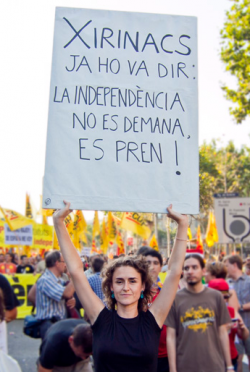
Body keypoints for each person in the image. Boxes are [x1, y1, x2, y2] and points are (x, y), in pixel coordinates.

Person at [53, 202, 188, 372]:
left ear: (142, 287)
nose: (126, 287)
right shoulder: (101, 319)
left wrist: (182, 225)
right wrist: (59, 221)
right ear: (110, 287)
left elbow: (174, 271)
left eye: (132, 281)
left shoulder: (153, 319)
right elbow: (76, 270)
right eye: (119, 281)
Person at [166, 254, 233, 372]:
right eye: (186, 268)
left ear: (203, 271)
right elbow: (171, 337)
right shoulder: (175, 299)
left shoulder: (216, 296)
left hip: (214, 365)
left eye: (194, 267)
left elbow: (223, 333)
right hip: (185, 366)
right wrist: (172, 369)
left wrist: (229, 366)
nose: (190, 271)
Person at [208, 278, 249, 371]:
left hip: (231, 357)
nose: (224, 300)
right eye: (220, 297)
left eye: (226, 297)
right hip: (213, 359)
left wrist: (242, 328)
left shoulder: (230, 311)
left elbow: (245, 336)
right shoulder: (204, 313)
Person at [36, 250, 76, 340]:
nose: (65, 265)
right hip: (50, 324)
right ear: (57, 263)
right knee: (52, 352)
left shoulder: (58, 280)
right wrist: (75, 275)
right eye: (63, 262)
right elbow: (67, 293)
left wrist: (72, 299)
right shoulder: (46, 280)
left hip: (57, 323)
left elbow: (68, 294)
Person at [143, 248, 169, 372]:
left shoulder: (166, 291)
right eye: (148, 263)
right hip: (141, 353)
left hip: (165, 354)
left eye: (155, 263)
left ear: (161, 267)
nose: (152, 267)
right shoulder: (133, 292)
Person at [224, 255, 250, 372]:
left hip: (248, 324)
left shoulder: (248, 281)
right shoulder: (226, 283)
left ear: (234, 265)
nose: (225, 268)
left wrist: (240, 307)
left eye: (227, 265)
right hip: (233, 328)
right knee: (238, 358)